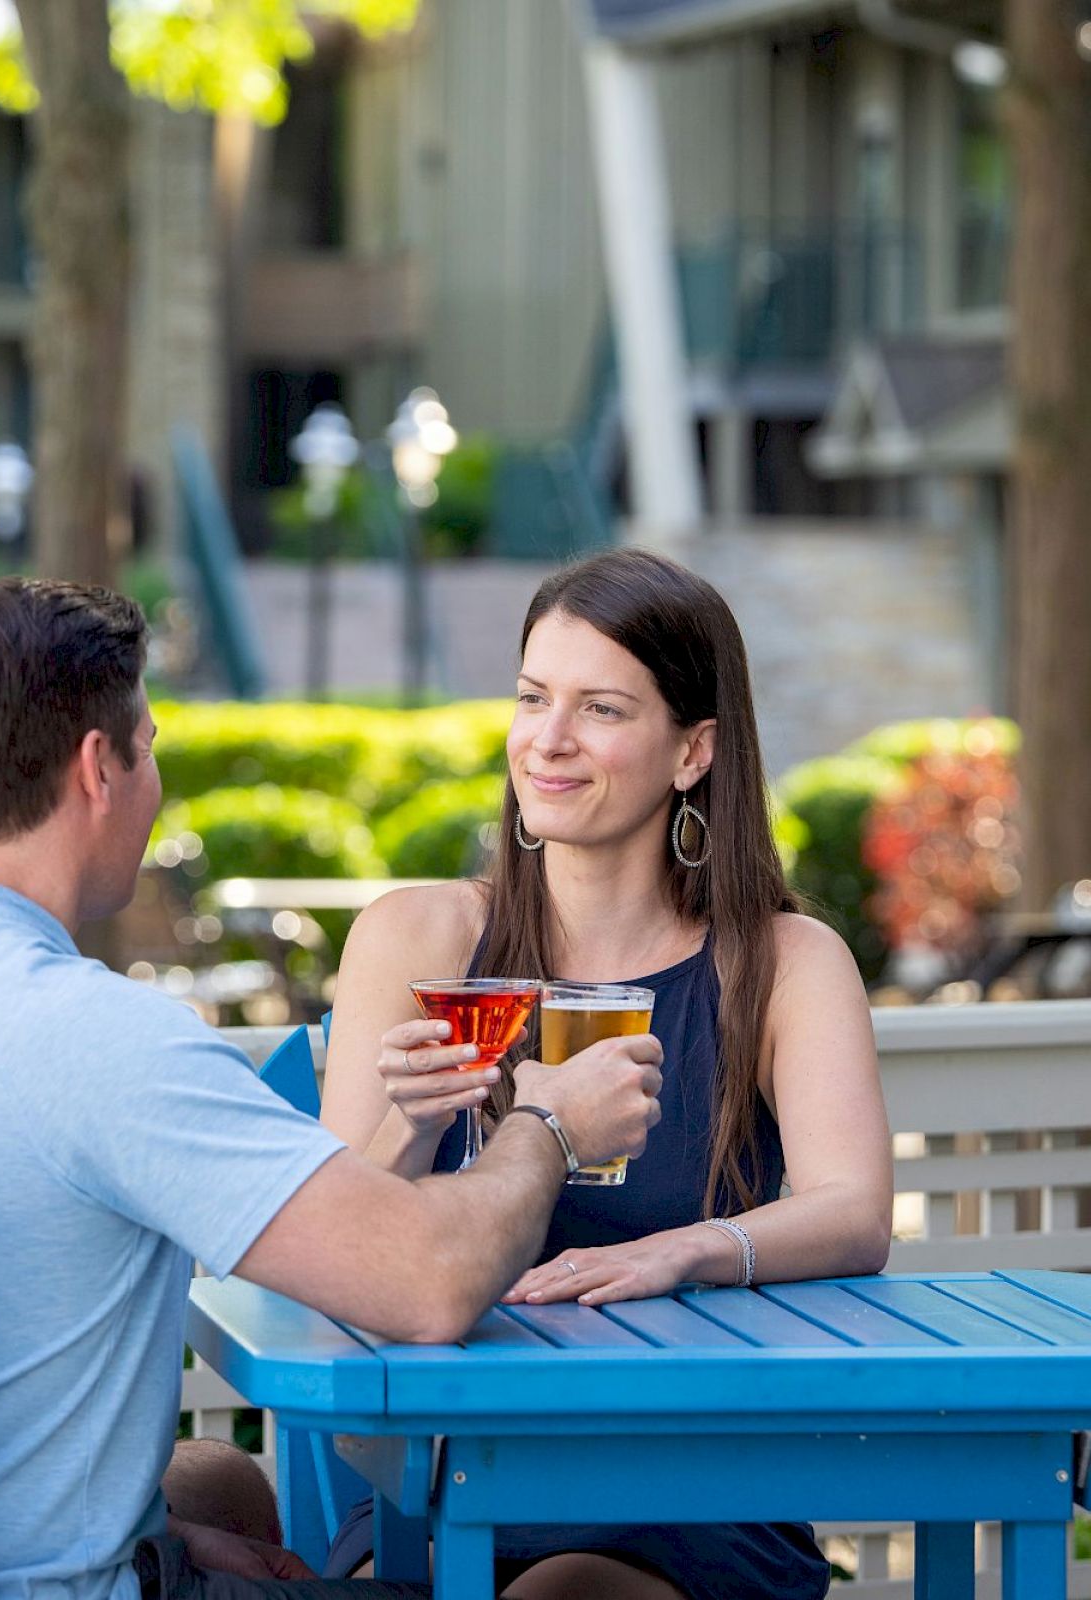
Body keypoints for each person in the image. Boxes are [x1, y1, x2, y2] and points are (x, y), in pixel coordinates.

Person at [0, 578, 663, 1600]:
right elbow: (429, 1282)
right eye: (149, 748)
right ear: (100, 767)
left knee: (222, 1489)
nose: (156, 784)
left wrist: (159, 1537)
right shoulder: (95, 1037)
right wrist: (547, 1120)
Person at [320, 549, 893, 1600]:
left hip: (696, 1474)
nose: (548, 740)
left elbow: (855, 1210)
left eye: (601, 709)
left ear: (693, 751)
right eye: (534, 697)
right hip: (457, 1463)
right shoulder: (423, 936)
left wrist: (681, 1252)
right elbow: (344, 1247)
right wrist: (407, 1127)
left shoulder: (783, 962)